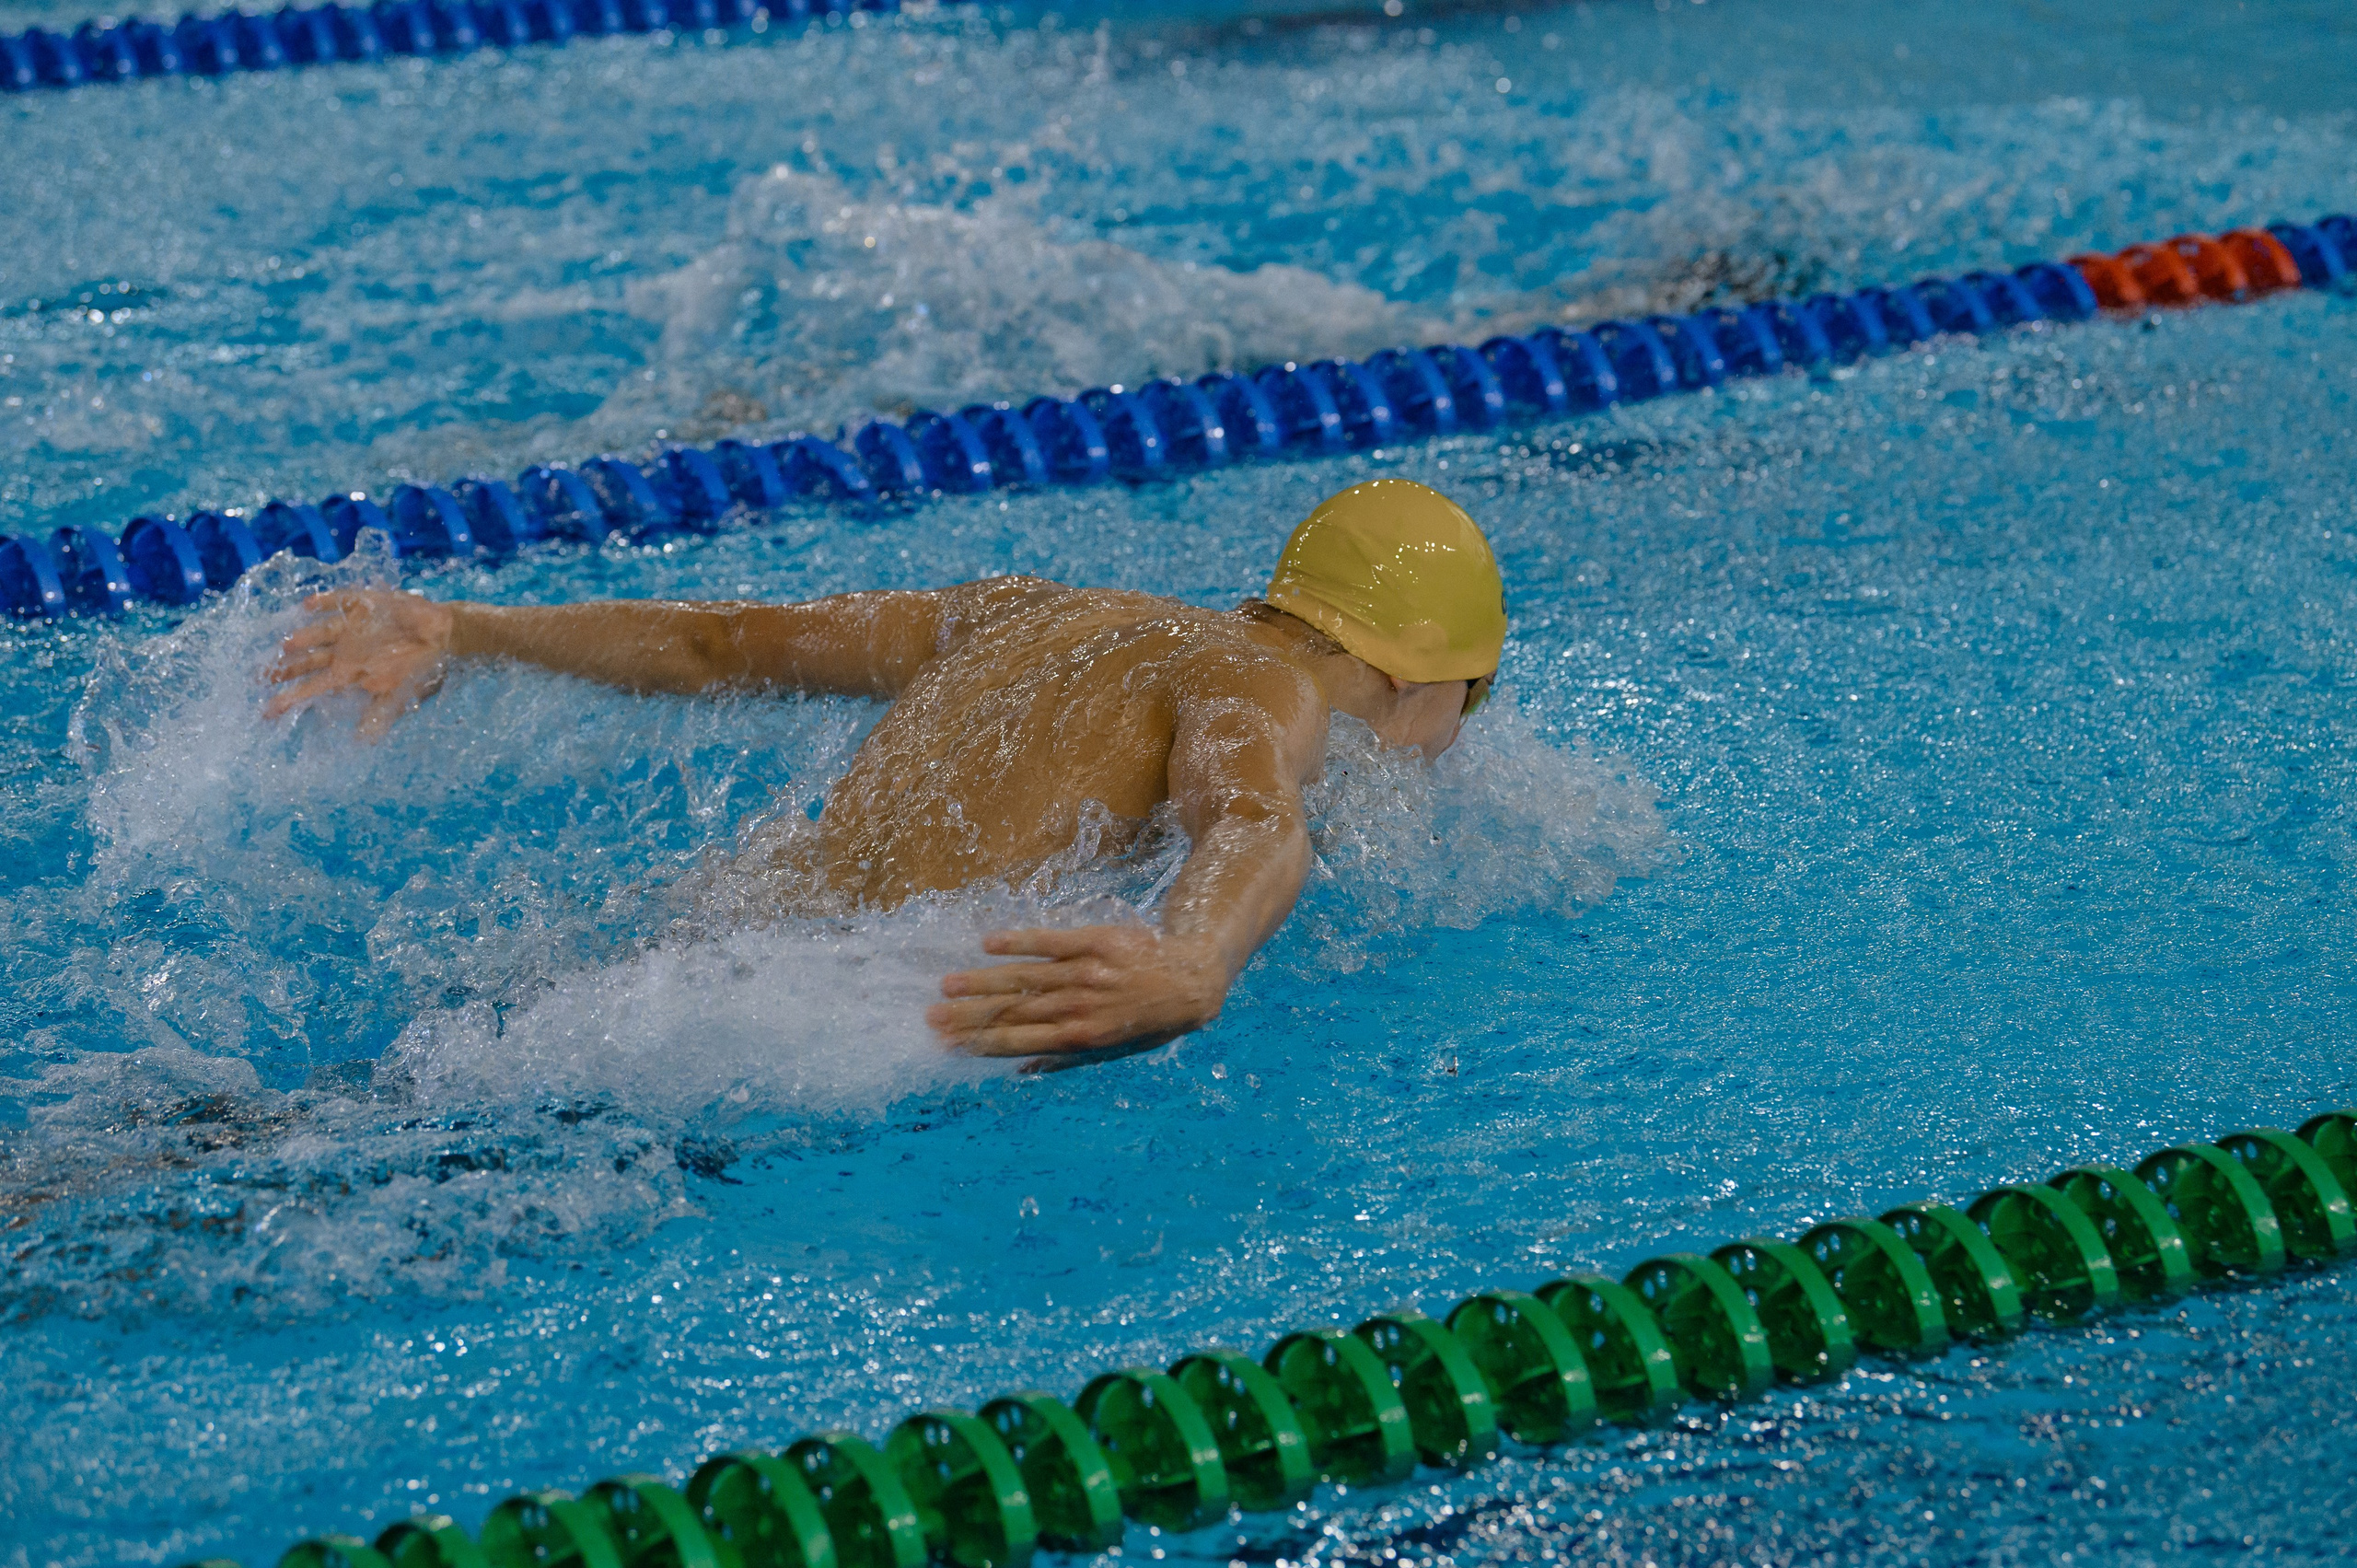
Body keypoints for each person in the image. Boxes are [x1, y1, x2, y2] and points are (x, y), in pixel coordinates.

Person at [264, 478, 1507, 1065]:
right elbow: (1249, 812)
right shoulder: (1266, 686)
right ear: (1418, 680)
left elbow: (722, 643)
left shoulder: (1029, 611)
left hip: (701, 941)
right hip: (800, 1024)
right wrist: (1196, 960)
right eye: (1474, 701)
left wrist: (465, 628)